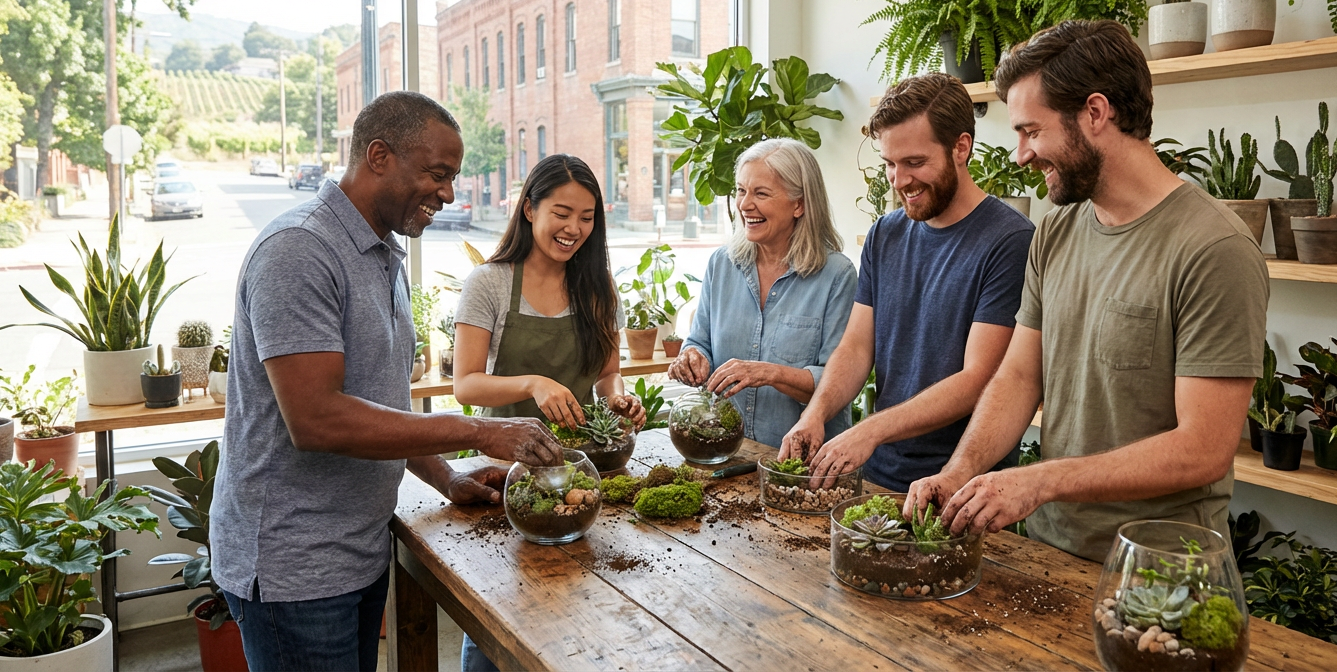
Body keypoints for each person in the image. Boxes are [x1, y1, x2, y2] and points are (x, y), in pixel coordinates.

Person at [210, 91, 562, 672]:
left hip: (358, 545)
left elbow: (380, 405)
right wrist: (476, 433)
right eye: (437, 174)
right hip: (294, 564)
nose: (449, 193)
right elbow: (316, 418)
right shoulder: (299, 249)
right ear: (378, 156)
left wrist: (446, 477)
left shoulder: (380, 254)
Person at [906, 19, 1269, 561]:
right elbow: (1020, 375)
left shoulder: (1213, 248)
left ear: (1096, 113)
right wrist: (959, 471)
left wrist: (1040, 481)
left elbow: (1204, 449)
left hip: (1160, 572)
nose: (1020, 154)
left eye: (1032, 131)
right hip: (1052, 549)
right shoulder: (1057, 229)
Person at [779, 73, 1035, 492]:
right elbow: (857, 346)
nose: (899, 181)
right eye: (890, 165)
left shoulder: (1009, 241)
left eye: (914, 163)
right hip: (880, 475)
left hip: (960, 486)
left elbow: (978, 378)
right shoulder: (886, 233)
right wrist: (816, 413)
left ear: (961, 148)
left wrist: (870, 430)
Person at [667, 139, 856, 447]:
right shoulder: (722, 264)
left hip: (801, 465)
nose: (744, 204)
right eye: (741, 190)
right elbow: (700, 341)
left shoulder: (837, 276)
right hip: (729, 451)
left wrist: (768, 373)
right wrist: (693, 357)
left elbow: (837, 383)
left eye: (761, 193)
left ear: (800, 204)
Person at [452, 154, 646, 432]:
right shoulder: (489, 282)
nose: (574, 228)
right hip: (503, 452)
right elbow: (466, 385)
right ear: (530, 210)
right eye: (562, 214)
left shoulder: (599, 285)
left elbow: (608, 373)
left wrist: (616, 399)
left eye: (586, 218)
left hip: (581, 452)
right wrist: (534, 384)